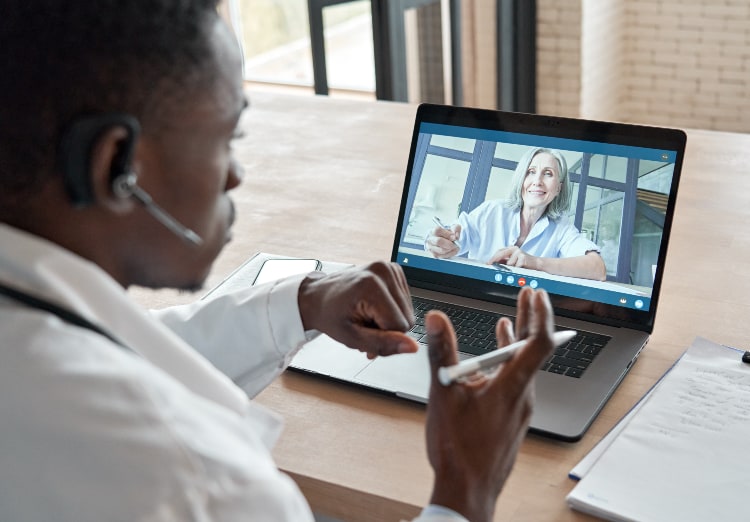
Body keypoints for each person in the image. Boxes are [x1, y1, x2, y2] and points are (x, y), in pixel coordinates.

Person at [0, 2, 555, 521]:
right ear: (116, 165)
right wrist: (465, 489)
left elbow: (127, 349)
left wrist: (302, 300)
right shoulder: (188, 476)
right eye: (227, 137)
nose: (236, 175)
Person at [425, 147, 607, 281]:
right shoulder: (491, 211)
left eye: (548, 174)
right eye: (531, 172)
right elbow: (451, 238)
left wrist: (534, 262)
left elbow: (597, 268)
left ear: (558, 188)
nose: (537, 181)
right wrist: (440, 242)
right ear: (522, 179)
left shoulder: (561, 227)